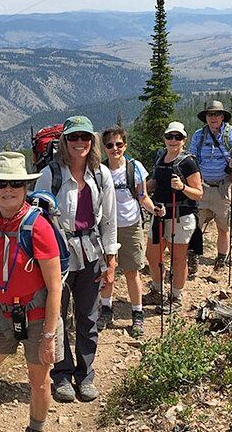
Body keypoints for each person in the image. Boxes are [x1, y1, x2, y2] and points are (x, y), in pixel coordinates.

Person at [0, 152, 64, 432]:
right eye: (1, 184)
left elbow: (55, 287)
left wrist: (49, 336)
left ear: (25, 188)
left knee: (38, 381)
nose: (8, 190)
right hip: (1, 315)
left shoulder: (38, 226)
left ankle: (35, 428)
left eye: (15, 184)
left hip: (38, 316)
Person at [34, 115, 118, 403]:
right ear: (64, 141)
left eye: (84, 137)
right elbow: (37, 220)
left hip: (92, 252)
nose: (79, 143)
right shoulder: (50, 175)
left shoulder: (101, 175)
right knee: (56, 317)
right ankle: (61, 374)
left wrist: (111, 260)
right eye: (73, 137)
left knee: (88, 316)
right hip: (57, 256)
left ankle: (85, 374)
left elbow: (109, 220)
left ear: (91, 141)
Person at [97, 126, 161, 337]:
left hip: (131, 225)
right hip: (107, 227)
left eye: (119, 144)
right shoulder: (99, 170)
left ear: (125, 145)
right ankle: (106, 308)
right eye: (110, 145)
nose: (115, 149)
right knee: (108, 271)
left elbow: (142, 196)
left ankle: (137, 313)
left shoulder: (135, 168)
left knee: (132, 271)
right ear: (104, 148)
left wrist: (154, 210)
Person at [144, 121, 203, 313]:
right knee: (152, 255)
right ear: (164, 138)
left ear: (184, 140)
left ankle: (176, 296)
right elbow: (156, 182)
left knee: (178, 259)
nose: (173, 140)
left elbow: (198, 193)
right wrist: (141, 188)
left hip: (181, 215)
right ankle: (158, 289)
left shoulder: (188, 162)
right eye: (170, 136)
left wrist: (182, 187)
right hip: (159, 212)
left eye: (177, 137)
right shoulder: (161, 156)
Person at [189, 100, 232, 272]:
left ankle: (221, 259)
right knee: (194, 226)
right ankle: (193, 258)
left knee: (223, 227)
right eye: (210, 114)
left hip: (225, 187)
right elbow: (191, 161)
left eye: (217, 114)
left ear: (223, 116)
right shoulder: (198, 135)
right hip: (201, 187)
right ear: (206, 117)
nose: (213, 117)